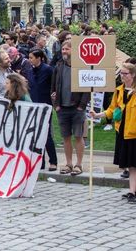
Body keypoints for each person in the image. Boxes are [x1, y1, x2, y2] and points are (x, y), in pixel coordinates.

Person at [90, 62, 136, 202]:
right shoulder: (119, 90)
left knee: (135, 164)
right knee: (129, 164)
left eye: (125, 74)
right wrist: (98, 115)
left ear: (133, 75)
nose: (122, 76)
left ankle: (132, 191)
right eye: (121, 73)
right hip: (123, 131)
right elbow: (112, 109)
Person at [51, 40, 90, 176]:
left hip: (77, 108)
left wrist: (81, 106)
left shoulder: (81, 67)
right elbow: (53, 87)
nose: (64, 52)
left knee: (78, 137)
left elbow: (87, 89)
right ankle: (68, 164)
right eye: (62, 49)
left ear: (74, 51)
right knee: (66, 137)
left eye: (67, 49)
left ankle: (78, 165)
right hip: (62, 108)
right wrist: (55, 105)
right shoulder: (59, 66)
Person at [28, 48, 57, 171]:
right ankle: (40, 161)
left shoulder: (48, 69)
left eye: (31, 58)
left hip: (45, 105)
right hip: (34, 106)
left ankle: (53, 161)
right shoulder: (30, 71)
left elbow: (54, 85)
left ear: (39, 58)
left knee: (46, 134)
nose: (29, 60)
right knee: (36, 134)